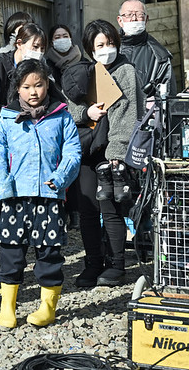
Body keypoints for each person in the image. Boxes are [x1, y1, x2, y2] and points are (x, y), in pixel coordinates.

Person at [0, 59, 81, 328]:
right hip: (15, 197)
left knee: (49, 254)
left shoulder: (62, 116)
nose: (33, 92)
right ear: (17, 89)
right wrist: (3, 186)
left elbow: (73, 152)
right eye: (26, 86)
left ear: (47, 84)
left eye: (39, 85)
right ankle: (7, 306)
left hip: (50, 195)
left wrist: (60, 178)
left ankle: (47, 307)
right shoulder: (7, 118)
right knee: (11, 252)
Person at [62, 20, 144, 287]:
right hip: (88, 148)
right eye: (100, 45)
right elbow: (69, 108)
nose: (106, 49)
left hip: (112, 151)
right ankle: (93, 263)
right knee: (87, 209)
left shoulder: (126, 71)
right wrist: (88, 113)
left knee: (111, 208)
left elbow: (128, 114)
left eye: (110, 43)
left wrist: (117, 150)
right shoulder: (85, 72)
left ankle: (117, 265)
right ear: (90, 48)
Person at [0, 23, 47, 283]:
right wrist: (13, 118)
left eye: (41, 48)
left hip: (30, 152)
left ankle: (23, 262)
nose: (37, 52)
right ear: (19, 44)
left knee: (28, 206)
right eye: (33, 46)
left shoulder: (42, 71)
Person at [45, 24, 84, 229]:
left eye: (65, 35)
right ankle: (62, 211)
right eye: (57, 36)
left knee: (74, 164)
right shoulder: (46, 65)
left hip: (79, 119)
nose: (62, 39)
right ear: (51, 42)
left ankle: (76, 213)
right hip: (54, 119)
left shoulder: (81, 61)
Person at [117, 0, 177, 98]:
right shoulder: (111, 48)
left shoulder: (160, 56)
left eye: (139, 15)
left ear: (146, 19)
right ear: (120, 20)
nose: (134, 19)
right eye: (128, 15)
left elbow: (168, 95)